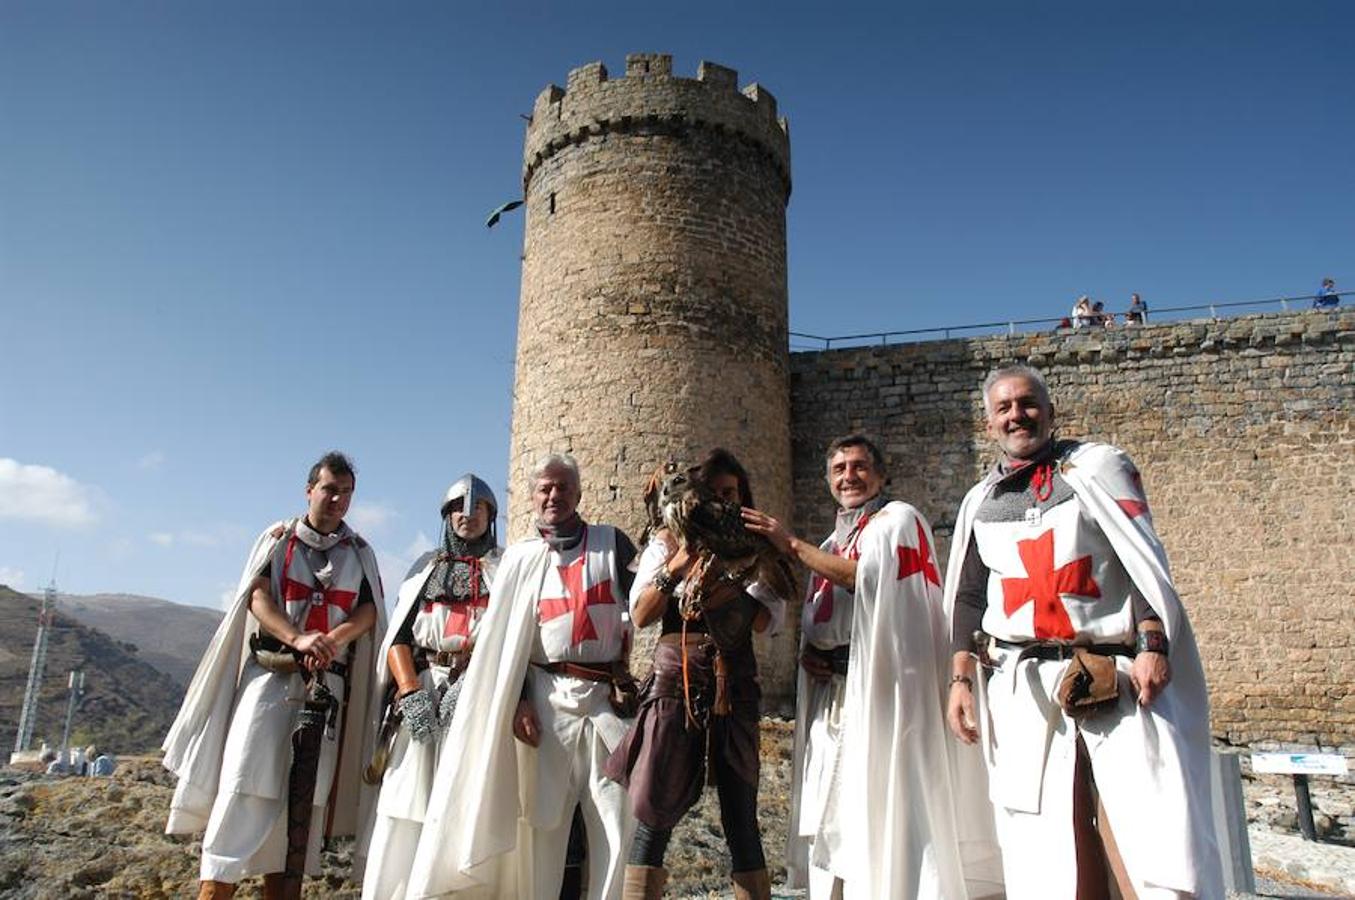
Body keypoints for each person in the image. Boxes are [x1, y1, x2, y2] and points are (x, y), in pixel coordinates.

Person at [944, 365, 1223, 899]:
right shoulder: (980, 502)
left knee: (1142, 826)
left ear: (1050, 412)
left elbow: (1140, 558)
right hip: (1024, 686)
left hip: (1112, 670)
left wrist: (1151, 642)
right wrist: (959, 680)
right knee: (1052, 838)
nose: (1016, 415)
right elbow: (968, 597)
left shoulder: (1096, 468)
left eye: (1027, 403)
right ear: (988, 425)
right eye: (1003, 408)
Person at [743, 435, 1002, 900]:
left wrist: (791, 544)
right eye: (839, 469)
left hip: (881, 695)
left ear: (881, 475)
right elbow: (823, 616)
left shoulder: (898, 520)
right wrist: (811, 656)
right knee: (829, 812)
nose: (849, 476)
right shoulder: (830, 540)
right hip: (833, 701)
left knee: (879, 805)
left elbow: (866, 578)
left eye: (859, 466)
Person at [407, 453, 638, 900]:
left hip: (606, 701)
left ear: (579, 493)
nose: (554, 495)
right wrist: (516, 701)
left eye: (563, 487)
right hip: (546, 704)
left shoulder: (613, 543)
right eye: (545, 488)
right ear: (531, 497)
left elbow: (647, 602)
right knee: (541, 826)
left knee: (615, 820)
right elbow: (501, 649)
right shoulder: (519, 560)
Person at [163, 451, 386, 900]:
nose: (338, 499)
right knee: (244, 784)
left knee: (303, 805)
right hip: (270, 679)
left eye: (346, 493)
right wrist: (299, 637)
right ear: (309, 491)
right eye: (329, 489)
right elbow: (258, 597)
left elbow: (368, 609)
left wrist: (335, 637)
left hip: (327, 688)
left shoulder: (359, 553)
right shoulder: (279, 540)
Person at [605, 449, 786, 900]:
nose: (724, 500)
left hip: (735, 686)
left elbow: (770, 621)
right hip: (674, 686)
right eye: (716, 492)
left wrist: (727, 587)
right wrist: (679, 565)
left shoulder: (754, 545)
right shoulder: (666, 541)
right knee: (654, 816)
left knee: (741, 818)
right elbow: (642, 612)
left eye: (733, 492)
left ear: (745, 496)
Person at [359, 474, 503, 899]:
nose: (467, 515)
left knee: (462, 807)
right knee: (405, 802)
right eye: (458, 507)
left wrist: (471, 683)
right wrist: (410, 692)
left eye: (477, 508)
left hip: (479, 696)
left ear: (490, 516)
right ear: (446, 515)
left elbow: (507, 637)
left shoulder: (505, 569)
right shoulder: (424, 567)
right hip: (422, 689)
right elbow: (398, 638)